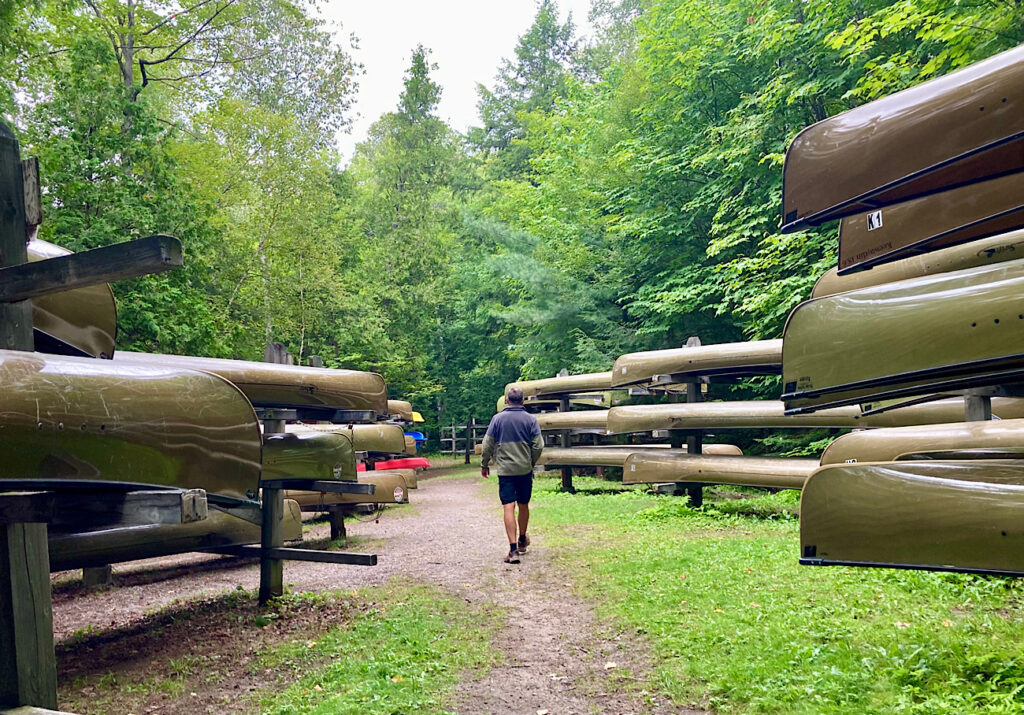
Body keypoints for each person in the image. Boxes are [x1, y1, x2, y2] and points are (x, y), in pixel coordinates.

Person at [480, 386, 543, 564]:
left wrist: (485, 464)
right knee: (523, 504)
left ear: (507, 401)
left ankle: (513, 550)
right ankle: (523, 539)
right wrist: (530, 462)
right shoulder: (531, 420)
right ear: (522, 401)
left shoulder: (497, 419)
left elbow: (487, 445)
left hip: (506, 471)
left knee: (509, 506)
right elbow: (538, 445)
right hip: (524, 469)